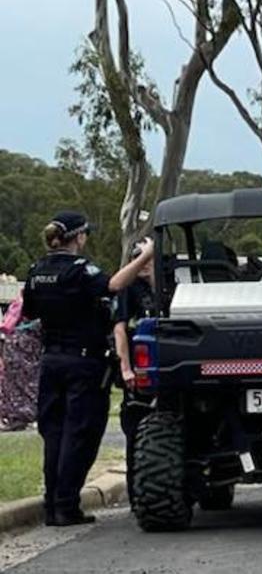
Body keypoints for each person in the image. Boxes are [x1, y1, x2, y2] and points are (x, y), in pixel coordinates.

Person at [22, 211, 154, 526]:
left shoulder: (36, 270)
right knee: (79, 435)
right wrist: (146, 255)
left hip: (51, 360)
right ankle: (67, 506)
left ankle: (53, 505)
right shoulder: (80, 270)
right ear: (78, 237)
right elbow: (113, 284)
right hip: (82, 362)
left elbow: (29, 311)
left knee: (53, 434)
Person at [112, 241, 159, 512]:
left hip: (168, 368)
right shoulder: (128, 291)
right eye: (138, 259)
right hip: (138, 371)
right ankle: (137, 496)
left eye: (147, 259)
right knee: (136, 432)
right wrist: (126, 368)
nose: (142, 264)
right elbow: (120, 331)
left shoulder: (166, 286)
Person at [0, 292, 41, 431]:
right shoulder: (36, 305)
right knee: (29, 381)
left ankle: (15, 416)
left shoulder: (18, 303)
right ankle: (28, 415)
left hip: (14, 342)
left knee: (13, 382)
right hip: (27, 345)